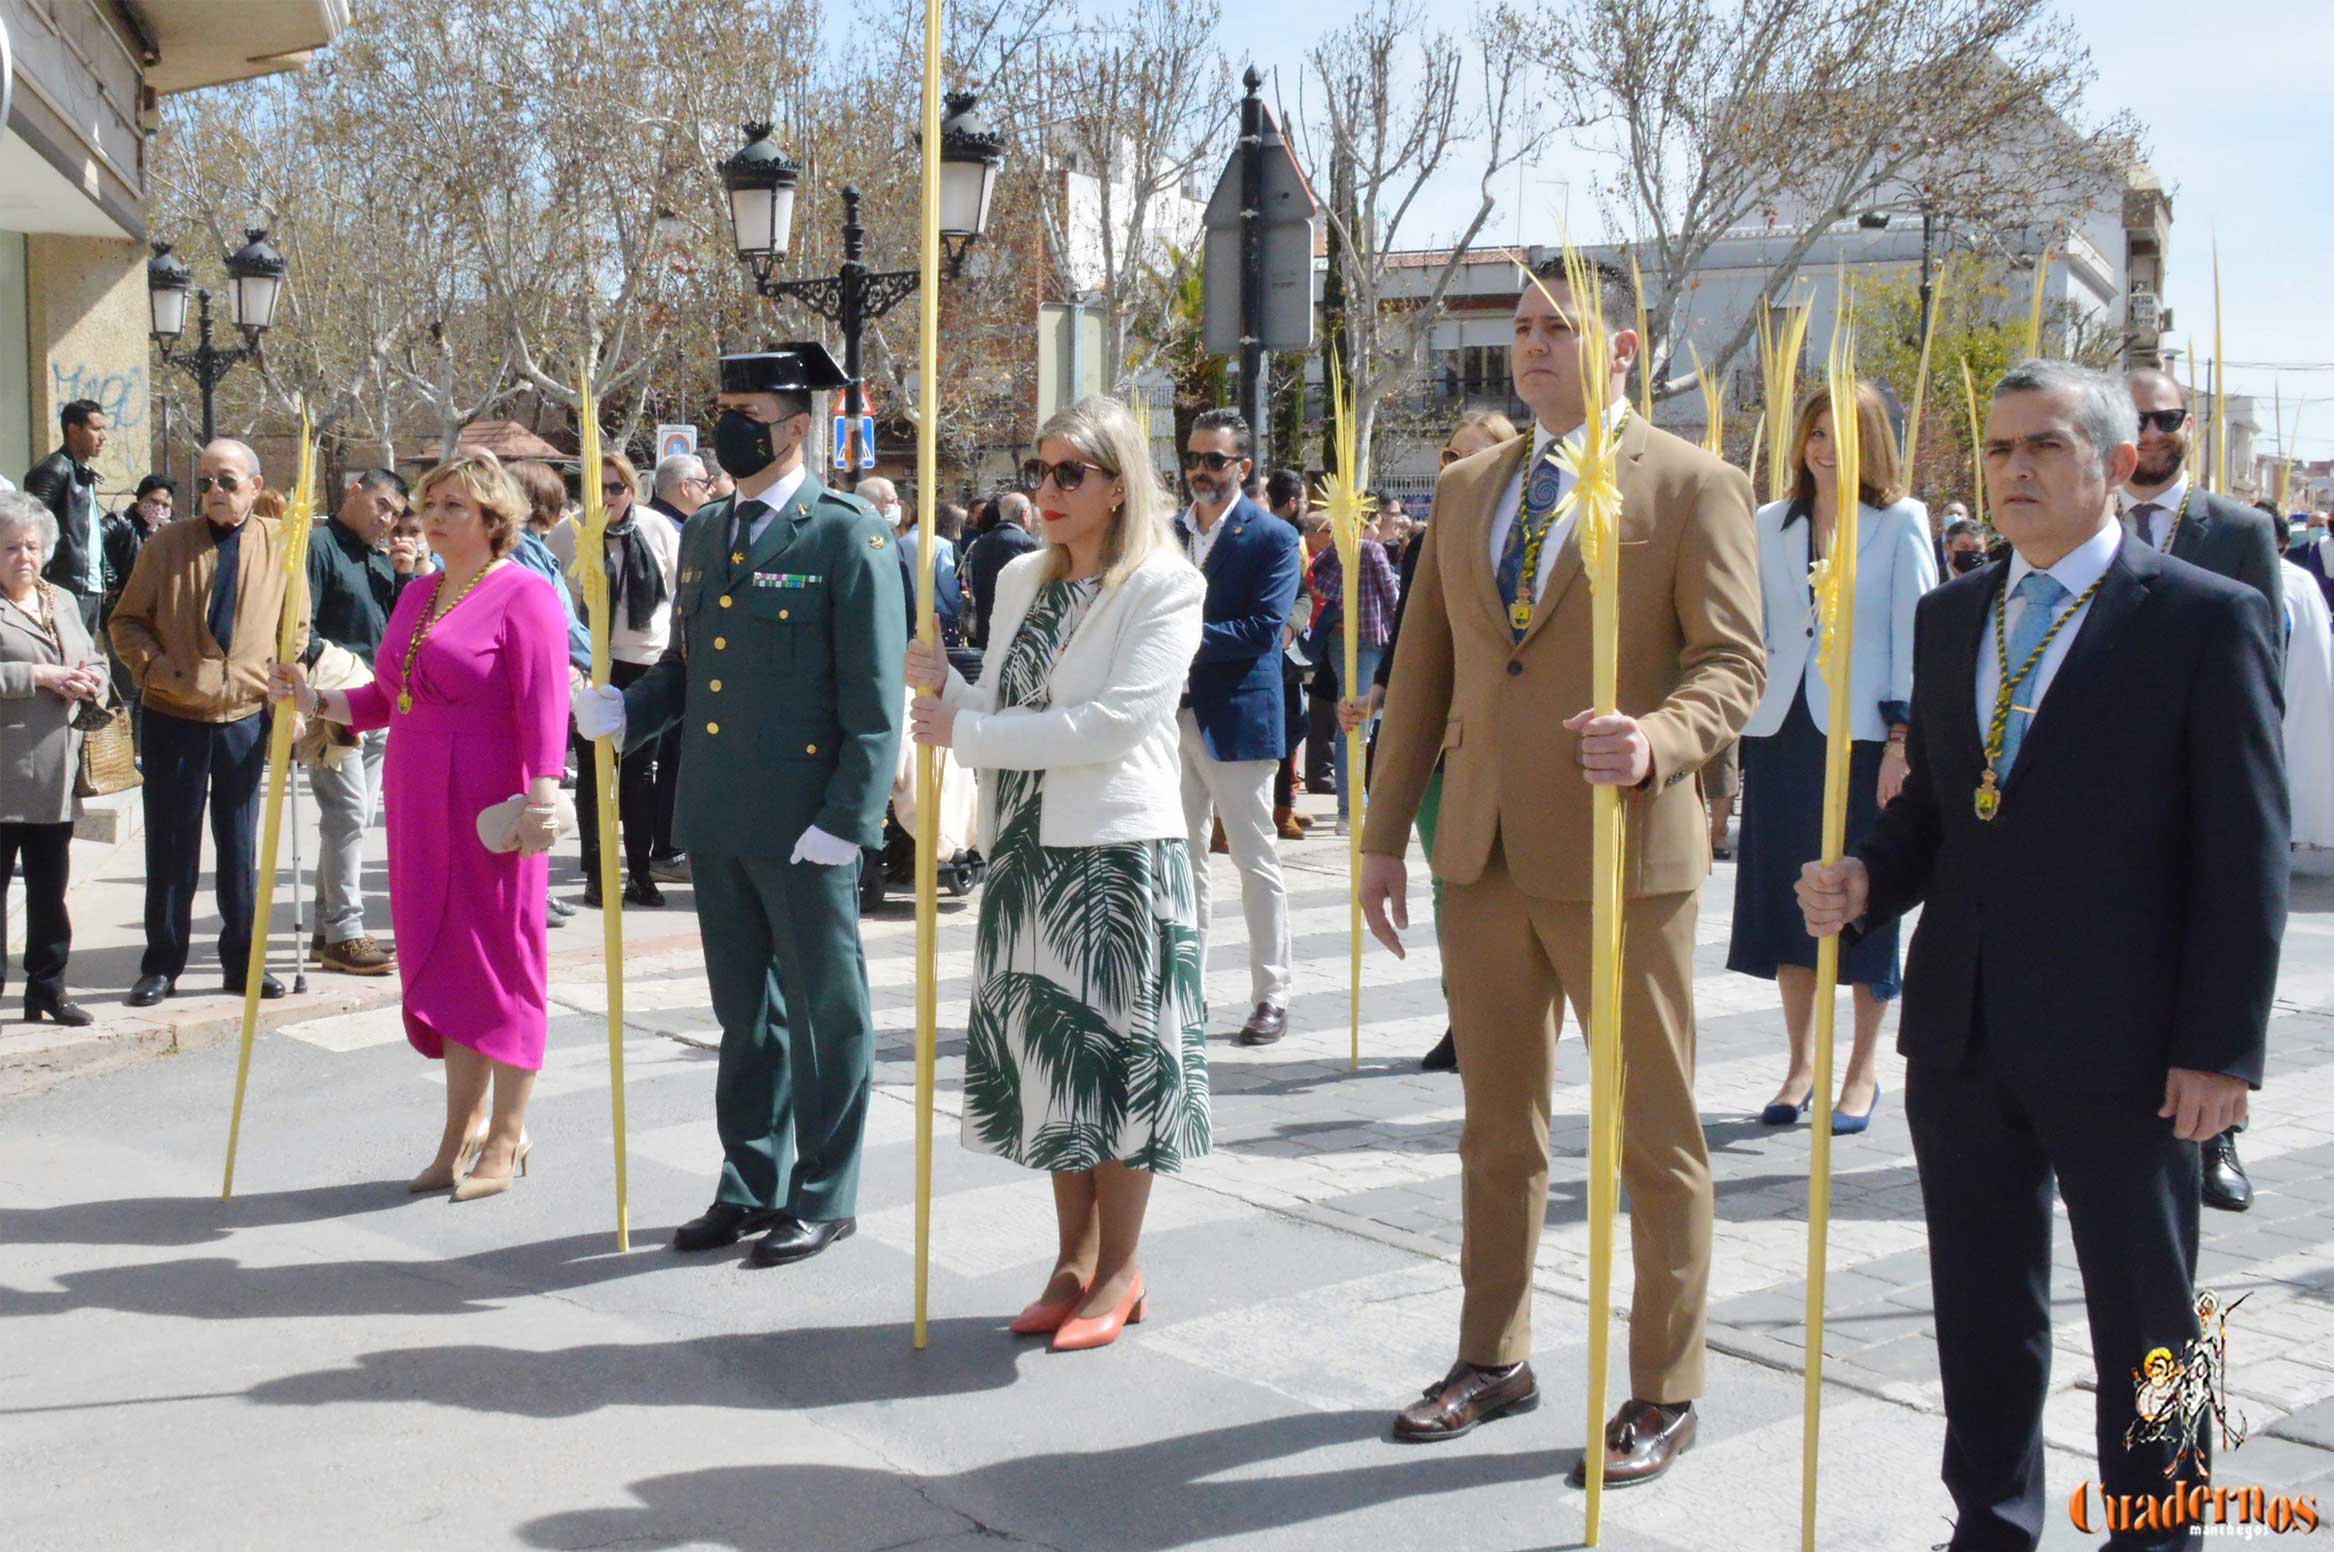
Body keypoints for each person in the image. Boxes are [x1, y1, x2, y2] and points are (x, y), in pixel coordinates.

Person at [1798, 358, 2286, 1552]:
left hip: (2130, 1046)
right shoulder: (1954, 610)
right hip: (1965, 1030)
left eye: (2046, 447)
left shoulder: (2200, 616)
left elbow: (2248, 849)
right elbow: (1938, 815)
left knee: (2152, 1320)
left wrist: (2221, 1049)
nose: (2016, 470)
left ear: (2117, 465)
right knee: (1981, 1305)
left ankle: (2160, 1530)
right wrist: (1869, 876)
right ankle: (1993, 1521)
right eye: (2003, 449)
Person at [1359, 256, 1761, 1480]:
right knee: (1497, 1127)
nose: (1532, 346)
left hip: (1621, 852)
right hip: (1476, 846)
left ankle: (1665, 1386)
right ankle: (1494, 1354)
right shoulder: (1471, 482)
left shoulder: (1693, 484)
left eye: (1559, 327)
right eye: (1522, 328)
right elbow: (1422, 672)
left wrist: (1657, 740)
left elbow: (1735, 665)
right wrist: (1381, 835)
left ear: (1624, 348)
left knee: (1653, 1133)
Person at [572, 343, 904, 1266]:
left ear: (799, 428)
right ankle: (750, 1180)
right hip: (718, 813)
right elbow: (688, 669)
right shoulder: (711, 532)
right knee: (744, 1017)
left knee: (823, 1015)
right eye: (722, 409)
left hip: (807, 823)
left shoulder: (846, 534)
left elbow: (875, 702)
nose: (729, 427)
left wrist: (850, 818)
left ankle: (825, 1192)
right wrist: (623, 713)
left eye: (749, 414)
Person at [905, 395, 1208, 1350]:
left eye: (1069, 473)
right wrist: (944, 686)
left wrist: (972, 727)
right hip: (1027, 852)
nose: (1047, 490)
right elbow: (998, 702)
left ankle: (1121, 1269)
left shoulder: (1163, 585)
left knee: (1120, 1067)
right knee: (1053, 1066)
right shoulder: (1021, 582)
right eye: (1039, 471)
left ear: (1120, 486)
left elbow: (1117, 723)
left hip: (1117, 856)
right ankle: (1071, 1261)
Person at [271, 451, 571, 1199]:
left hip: (492, 801)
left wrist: (543, 798)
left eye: (452, 508)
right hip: (415, 792)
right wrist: (311, 699)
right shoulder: (420, 592)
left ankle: (508, 1133)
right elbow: (384, 698)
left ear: (494, 520)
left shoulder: (525, 595)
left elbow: (543, 709)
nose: (431, 519)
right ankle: (458, 1129)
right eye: (426, 507)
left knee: (503, 958)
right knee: (442, 956)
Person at [1729, 382, 1934, 1134]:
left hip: (1868, 737)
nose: (1825, 450)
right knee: (1793, 903)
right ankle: (1800, 1063)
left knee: (1863, 901)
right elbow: (1750, 626)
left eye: (1841, 438)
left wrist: (1904, 743)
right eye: (1815, 434)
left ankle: (1863, 1069)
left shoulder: (1900, 524)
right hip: (1782, 731)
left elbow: (1918, 634)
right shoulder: (1768, 522)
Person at [2121, 366, 2285, 1214]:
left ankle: (2216, 1137)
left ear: (2191, 423)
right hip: (2106, 790)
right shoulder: (2089, 516)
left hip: (2199, 779)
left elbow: (2264, 667)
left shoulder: (2239, 528)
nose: (2150, 432)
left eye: (2166, 416)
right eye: (2135, 418)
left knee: (2211, 956)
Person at [110, 439, 307, 1007]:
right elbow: (125, 622)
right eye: (203, 483)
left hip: (245, 715)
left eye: (225, 481)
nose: (213, 492)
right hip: (175, 713)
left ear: (254, 484)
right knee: (172, 845)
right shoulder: (167, 544)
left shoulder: (283, 545)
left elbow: (294, 629)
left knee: (241, 846)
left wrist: (285, 693)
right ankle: (162, 963)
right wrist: (157, 668)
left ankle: (243, 962)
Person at [1358, 409, 1518, 1074]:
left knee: (1499, 893)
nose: (1459, 471)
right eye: (1451, 458)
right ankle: (1464, 1017)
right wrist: (1377, 696)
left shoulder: (1526, 542)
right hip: (1435, 740)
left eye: (1475, 458)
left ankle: (1508, 1017)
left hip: (1503, 740)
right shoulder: (1429, 539)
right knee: (1449, 884)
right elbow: (1411, 639)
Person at [1171, 410, 1300, 1046]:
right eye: (1193, 458)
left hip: (1239, 719)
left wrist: (1172, 638)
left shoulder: (1272, 537)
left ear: (1242, 467)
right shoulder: (1167, 532)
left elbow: (1261, 631)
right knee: (1183, 856)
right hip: (1172, 717)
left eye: (1215, 460)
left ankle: (1272, 995)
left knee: (1254, 859)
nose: (1200, 470)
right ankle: (1185, 993)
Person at [550, 449, 680, 909]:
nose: (606, 498)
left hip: (644, 661)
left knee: (640, 773)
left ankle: (639, 873)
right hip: (592, 664)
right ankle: (596, 872)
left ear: (631, 487)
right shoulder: (568, 533)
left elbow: (678, 589)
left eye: (615, 487)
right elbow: (554, 600)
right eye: (596, 489)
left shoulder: (656, 527)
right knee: (593, 771)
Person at [0, 490, 110, 1025]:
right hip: (5, 774)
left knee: (50, 892)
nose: (24, 557)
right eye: (11, 548)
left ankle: (47, 987)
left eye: (32, 547)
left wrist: (94, 680)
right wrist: (38, 677)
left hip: (56, 775)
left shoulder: (61, 600)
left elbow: (94, 655)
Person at [300, 469, 414, 977]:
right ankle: (345, 929)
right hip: (335, 699)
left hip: (379, 701)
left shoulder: (380, 560)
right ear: (354, 491)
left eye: (394, 513)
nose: (387, 519)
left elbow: (396, 629)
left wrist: (406, 577)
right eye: (382, 505)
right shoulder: (319, 546)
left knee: (356, 817)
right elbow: (302, 627)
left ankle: (328, 931)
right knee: (347, 813)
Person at [506, 461, 592, 929]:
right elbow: (554, 619)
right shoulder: (518, 550)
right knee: (533, 792)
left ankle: (534, 887)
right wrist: (598, 663)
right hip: (532, 683)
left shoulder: (535, 548)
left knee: (541, 791)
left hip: (553, 675)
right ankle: (526, 893)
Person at [1305, 496, 1399, 837]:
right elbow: (1392, 599)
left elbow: (1318, 585)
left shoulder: (1335, 552)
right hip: (1369, 642)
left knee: (1351, 720)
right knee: (1357, 724)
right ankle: (1352, 809)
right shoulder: (1371, 551)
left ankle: (1353, 806)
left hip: (1340, 640)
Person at [644, 454, 711, 879]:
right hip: (665, 655)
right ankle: (665, 848)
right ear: (685, 487)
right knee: (671, 758)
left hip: (667, 651)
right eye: (705, 482)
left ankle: (665, 844)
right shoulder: (666, 528)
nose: (710, 489)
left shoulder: (673, 525)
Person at [101, 475, 176, 753]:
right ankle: (115, 754)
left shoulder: (166, 532)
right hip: (122, 615)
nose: (159, 509)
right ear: (139, 500)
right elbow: (97, 546)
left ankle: (137, 751)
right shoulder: (120, 524)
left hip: (156, 620)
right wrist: (113, 584)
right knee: (126, 688)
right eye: (153, 501)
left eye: (166, 504)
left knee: (146, 689)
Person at [23, 399, 110, 637]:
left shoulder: (82, 471)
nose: (103, 437)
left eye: (104, 429)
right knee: (67, 661)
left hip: (91, 589)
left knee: (84, 660)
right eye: (95, 429)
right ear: (73, 430)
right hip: (65, 587)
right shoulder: (54, 469)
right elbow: (31, 528)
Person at [1263, 468, 1313, 842]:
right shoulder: (1259, 537)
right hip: (1252, 651)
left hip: (1286, 652)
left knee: (1292, 726)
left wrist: (1291, 627)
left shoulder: (1296, 540)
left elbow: (1300, 595)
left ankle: (1284, 807)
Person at [963, 491, 1039, 649]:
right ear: (1025, 514)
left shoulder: (979, 544)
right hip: (1016, 635)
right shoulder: (1028, 544)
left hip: (984, 632)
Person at [648, 453, 711, 530]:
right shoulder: (670, 531)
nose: (710, 491)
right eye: (706, 483)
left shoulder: (646, 519)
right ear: (685, 487)